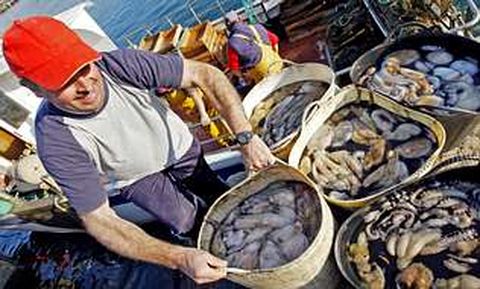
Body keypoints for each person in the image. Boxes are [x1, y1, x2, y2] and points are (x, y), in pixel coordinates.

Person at [2, 16, 275, 284]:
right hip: (137, 179)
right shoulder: (54, 136)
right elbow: (99, 219)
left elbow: (205, 74)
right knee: (187, 220)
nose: (86, 86)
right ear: (34, 89)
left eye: (83, 67)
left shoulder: (118, 64)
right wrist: (179, 258)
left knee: (218, 192)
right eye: (64, 81)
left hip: (178, 148)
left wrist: (245, 137)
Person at [225, 11, 283, 84]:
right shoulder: (257, 27)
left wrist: (244, 77)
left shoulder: (232, 43)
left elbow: (234, 69)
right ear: (240, 19)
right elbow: (275, 40)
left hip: (263, 76)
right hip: (277, 63)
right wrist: (275, 54)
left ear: (228, 28)